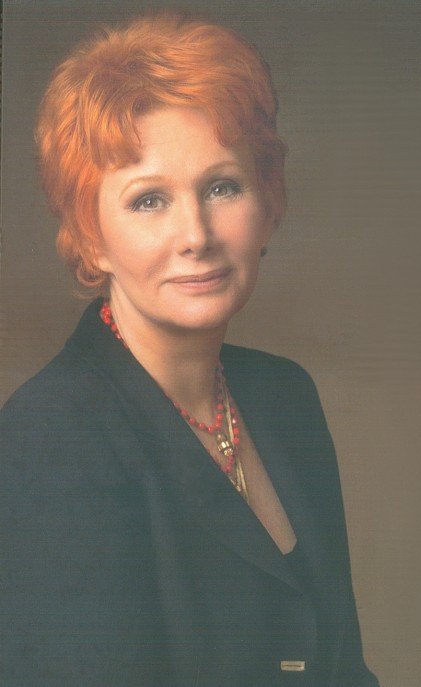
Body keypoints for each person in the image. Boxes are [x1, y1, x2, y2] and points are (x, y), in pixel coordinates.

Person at [1, 12, 379, 687]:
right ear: (89, 237)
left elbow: (344, 669)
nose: (196, 235)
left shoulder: (285, 396)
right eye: (149, 200)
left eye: (222, 187)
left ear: (269, 201)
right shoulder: (49, 437)